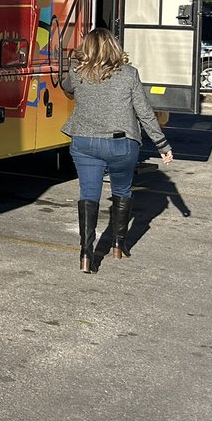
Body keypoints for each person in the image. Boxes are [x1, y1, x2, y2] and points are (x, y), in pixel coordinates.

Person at [62, 28, 173, 273]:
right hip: (121, 144)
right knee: (122, 190)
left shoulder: (77, 72)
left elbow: (66, 87)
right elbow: (144, 112)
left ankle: (86, 254)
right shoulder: (129, 74)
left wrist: (73, 63)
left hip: (84, 143)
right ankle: (118, 245)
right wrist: (162, 145)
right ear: (114, 47)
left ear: (87, 48)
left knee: (88, 194)